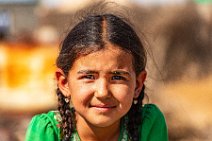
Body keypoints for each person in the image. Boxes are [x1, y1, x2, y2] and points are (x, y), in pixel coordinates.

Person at [25, 13, 168, 141]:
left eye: (117, 77)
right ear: (64, 83)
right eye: (89, 76)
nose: (102, 92)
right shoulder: (49, 132)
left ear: (137, 84)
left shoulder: (147, 126)